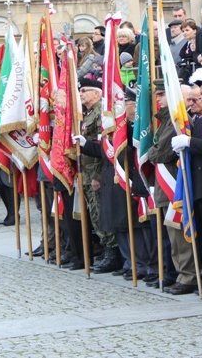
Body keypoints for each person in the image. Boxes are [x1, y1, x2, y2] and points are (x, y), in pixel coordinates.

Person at [171, 66, 202, 295]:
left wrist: (190, 143)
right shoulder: (194, 120)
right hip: (198, 186)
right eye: (198, 96)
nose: (199, 100)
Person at [149, 79, 197, 295]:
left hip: (174, 182)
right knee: (172, 235)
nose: (157, 99)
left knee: (179, 232)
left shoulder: (176, 120)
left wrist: (150, 153)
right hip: (165, 182)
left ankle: (188, 276)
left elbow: (160, 152)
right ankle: (180, 274)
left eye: (161, 94)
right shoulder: (165, 120)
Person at [77, 79, 121, 275]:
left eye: (85, 90)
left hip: (96, 172)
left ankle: (112, 252)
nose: (81, 93)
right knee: (95, 215)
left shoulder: (100, 113)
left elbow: (104, 146)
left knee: (101, 213)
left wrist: (96, 175)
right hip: (87, 172)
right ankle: (106, 250)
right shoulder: (86, 114)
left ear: (97, 93)